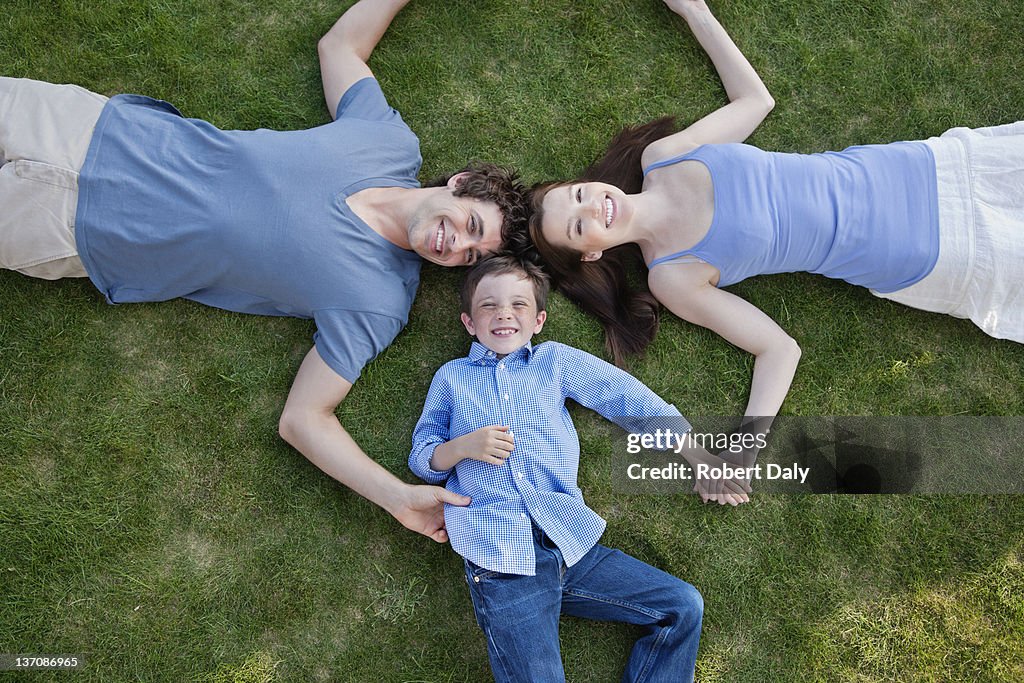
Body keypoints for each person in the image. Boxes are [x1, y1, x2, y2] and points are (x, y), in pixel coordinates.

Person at [0, 0, 530, 542]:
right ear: (460, 183)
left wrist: (398, 498)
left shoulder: (378, 303)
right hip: (92, 128)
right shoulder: (388, 142)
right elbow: (340, 47)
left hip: (77, 229)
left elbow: (303, 420)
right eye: (469, 224)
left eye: (469, 255)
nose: (454, 244)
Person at [527, 0, 1023, 429]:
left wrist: (693, 10)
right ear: (592, 251)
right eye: (577, 225)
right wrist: (745, 448)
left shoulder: (662, 158)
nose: (590, 205)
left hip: (912, 171)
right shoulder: (672, 277)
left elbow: (755, 100)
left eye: (576, 194)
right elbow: (778, 349)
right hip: (915, 251)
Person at [409, 255, 748, 683]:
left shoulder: (553, 362)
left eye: (518, 305)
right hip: (501, 560)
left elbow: (625, 397)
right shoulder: (451, 378)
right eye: (488, 306)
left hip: (568, 543)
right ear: (469, 322)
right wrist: (460, 448)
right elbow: (423, 458)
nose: (503, 314)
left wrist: (697, 457)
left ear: (538, 321)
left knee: (682, 606)